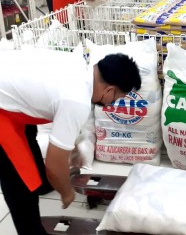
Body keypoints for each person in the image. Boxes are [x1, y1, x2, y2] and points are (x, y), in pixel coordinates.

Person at [0, 49, 141, 235]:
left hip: (9, 93)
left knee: (28, 136)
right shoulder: (77, 99)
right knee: (21, 178)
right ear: (110, 90)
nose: (111, 104)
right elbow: (53, 165)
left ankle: (41, 185)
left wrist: (72, 150)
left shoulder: (77, 64)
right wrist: (66, 192)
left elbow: (61, 116)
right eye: (115, 99)